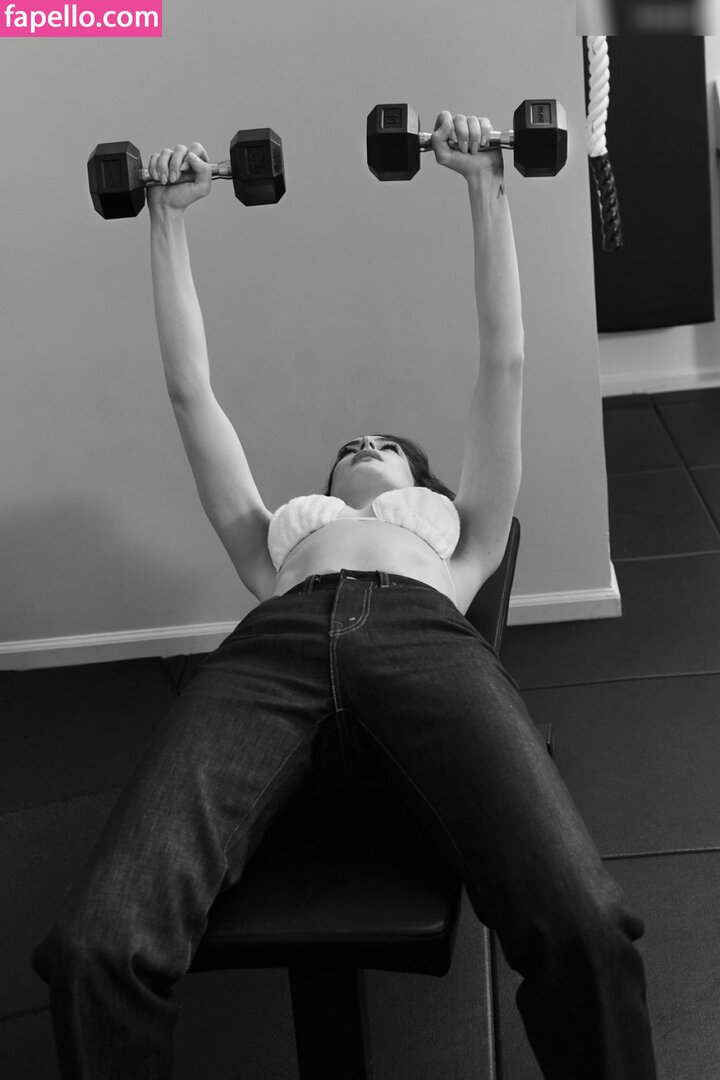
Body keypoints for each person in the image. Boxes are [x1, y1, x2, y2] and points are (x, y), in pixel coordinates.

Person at [32, 113, 657, 1079]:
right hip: (270, 653)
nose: (368, 443)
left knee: (589, 923)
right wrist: (167, 219)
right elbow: (192, 394)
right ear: (319, 490)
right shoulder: (269, 543)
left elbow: (506, 361)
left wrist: (486, 188)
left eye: (388, 447)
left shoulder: (468, 534)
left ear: (424, 486)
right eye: (351, 447)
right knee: (95, 947)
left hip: (425, 643)